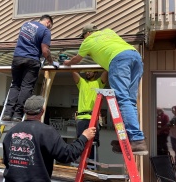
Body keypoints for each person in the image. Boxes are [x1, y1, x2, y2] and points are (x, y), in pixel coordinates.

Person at [63, 24, 148, 155]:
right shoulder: (109, 32)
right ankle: (130, 140)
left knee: (123, 99)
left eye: (83, 36)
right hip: (135, 56)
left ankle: (136, 139)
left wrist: (67, 63)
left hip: (119, 59)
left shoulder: (88, 41)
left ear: (87, 33)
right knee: (130, 101)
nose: (83, 38)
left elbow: (77, 59)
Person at [2, 95, 96, 182]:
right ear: (42, 111)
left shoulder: (12, 131)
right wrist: (84, 137)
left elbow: (7, 160)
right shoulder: (47, 132)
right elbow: (67, 155)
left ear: (25, 111)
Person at [2, 15, 59, 122]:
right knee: (26, 87)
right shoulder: (45, 31)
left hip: (17, 57)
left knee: (15, 85)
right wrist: (51, 62)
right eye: (50, 26)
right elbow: (45, 51)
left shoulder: (26, 24)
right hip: (31, 60)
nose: (49, 28)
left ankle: (7, 113)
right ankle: (18, 114)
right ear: (48, 22)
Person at [72, 71, 108, 160]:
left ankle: (92, 167)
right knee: (81, 142)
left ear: (95, 73)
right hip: (81, 119)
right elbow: (73, 72)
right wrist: (71, 65)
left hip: (93, 118)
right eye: (86, 71)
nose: (87, 73)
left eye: (90, 71)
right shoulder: (82, 83)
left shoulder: (98, 83)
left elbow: (105, 72)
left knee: (93, 144)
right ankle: (82, 165)